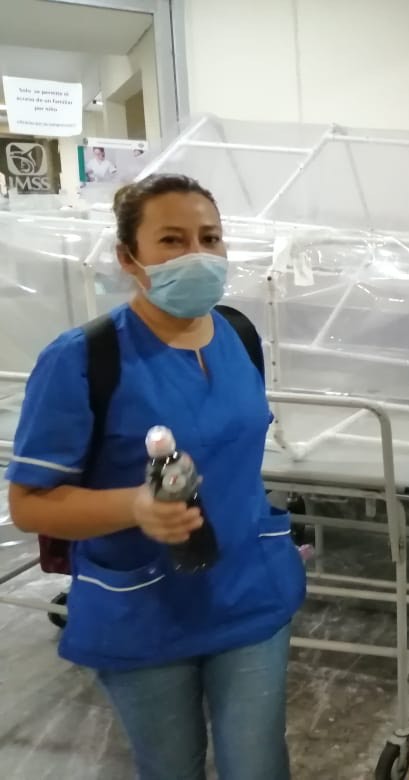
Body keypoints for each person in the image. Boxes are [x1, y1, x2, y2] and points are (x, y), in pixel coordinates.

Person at [6, 173, 306, 780]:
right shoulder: (84, 358)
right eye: (172, 240)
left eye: (210, 238)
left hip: (247, 589)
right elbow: (29, 504)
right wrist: (136, 507)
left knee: (258, 765)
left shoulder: (239, 336)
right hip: (144, 607)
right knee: (170, 768)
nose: (197, 254)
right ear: (128, 258)